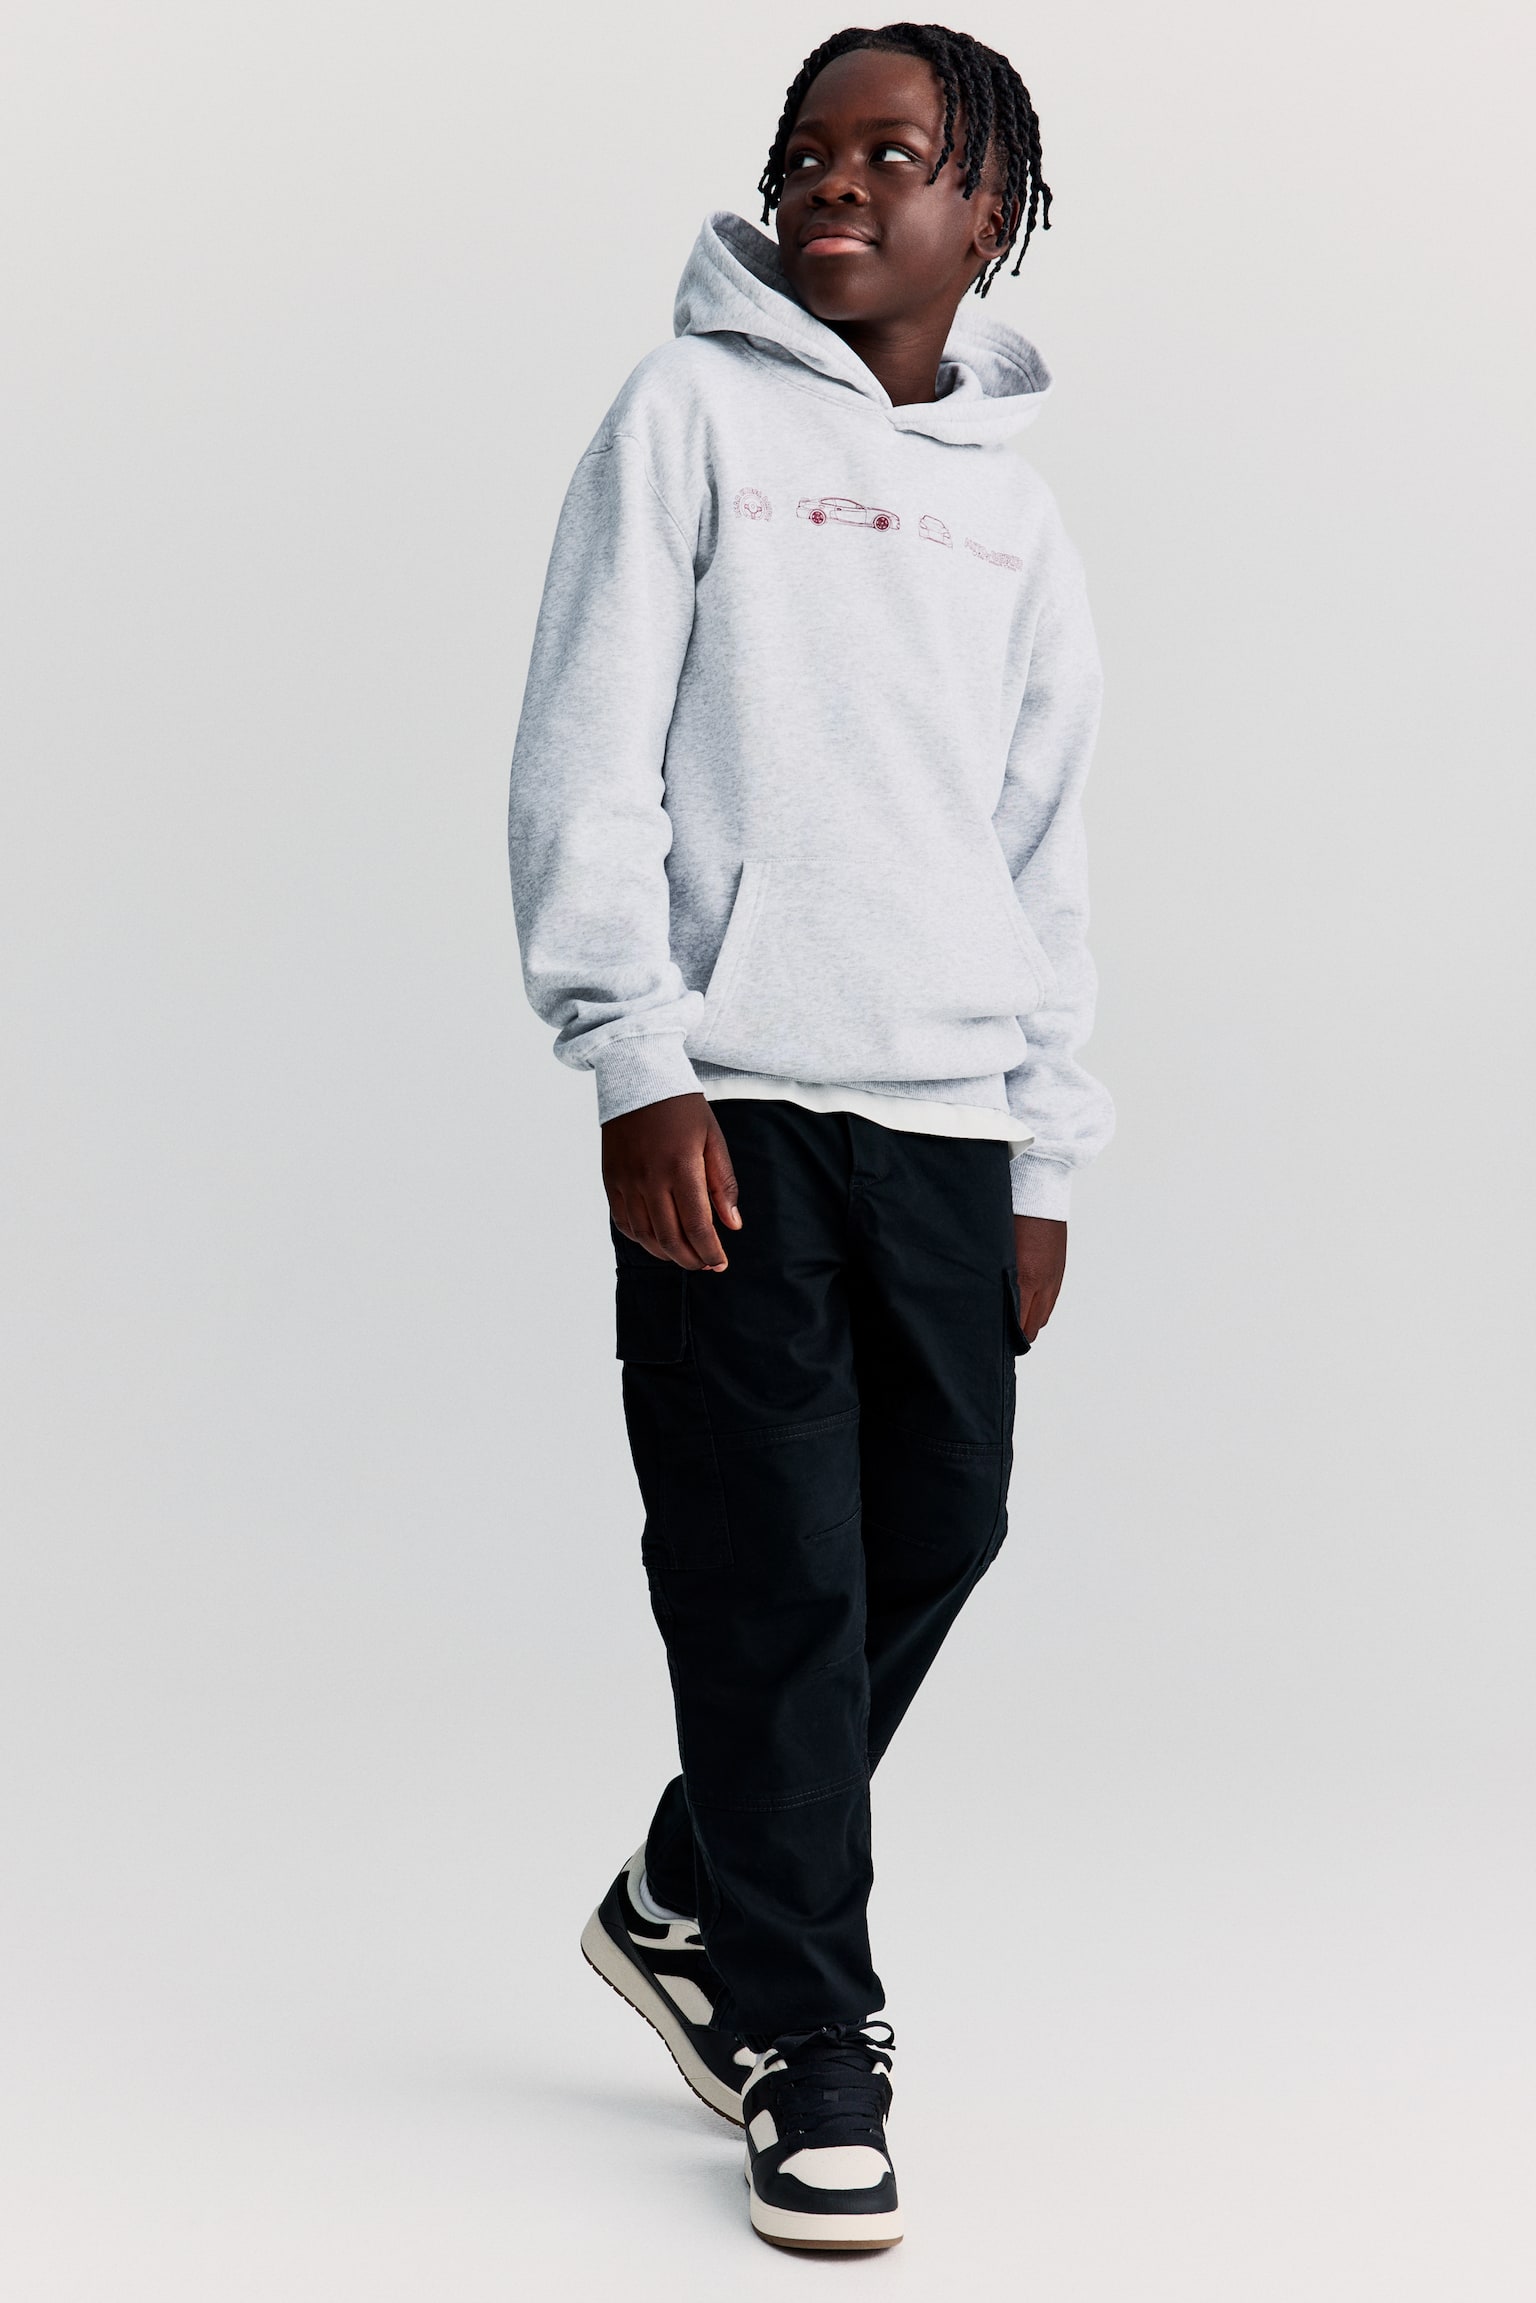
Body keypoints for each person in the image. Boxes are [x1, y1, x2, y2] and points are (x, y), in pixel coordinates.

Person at [508, 21, 1113, 2253]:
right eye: (805, 149)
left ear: (987, 210)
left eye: (892, 152)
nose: (832, 182)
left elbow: (1043, 846)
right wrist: (634, 1057)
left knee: (942, 1520)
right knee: (772, 1570)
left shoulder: (1015, 517)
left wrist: (1043, 1153)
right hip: (737, 1097)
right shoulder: (685, 415)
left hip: (948, 1110)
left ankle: (691, 1884)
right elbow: (586, 749)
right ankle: (805, 2030)